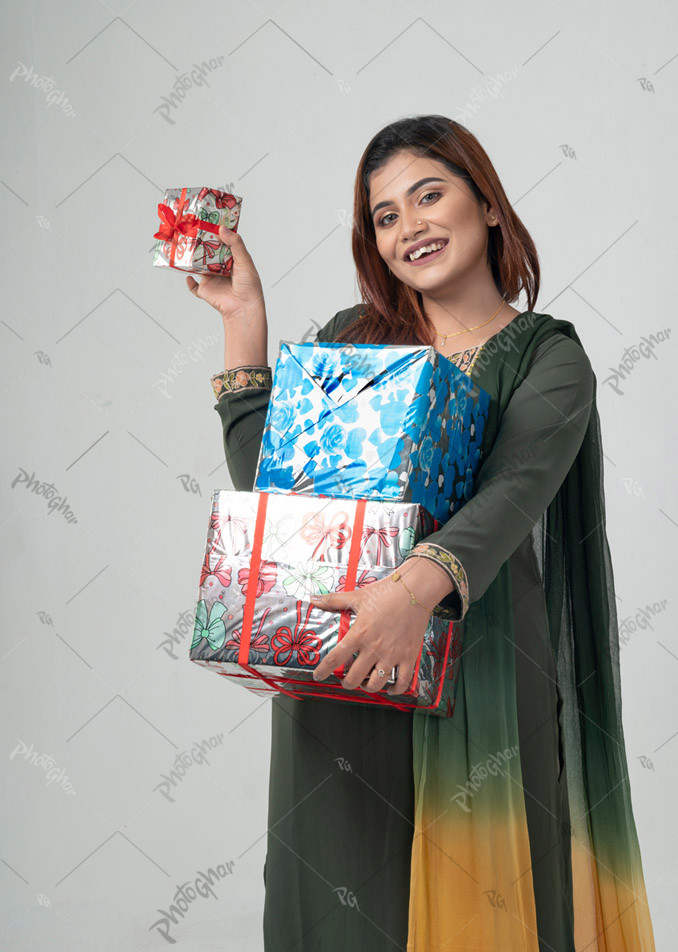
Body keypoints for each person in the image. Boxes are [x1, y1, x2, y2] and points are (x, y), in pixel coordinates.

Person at [189, 116, 656, 951]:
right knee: (339, 916)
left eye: (429, 195)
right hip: (345, 674)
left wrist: (411, 591)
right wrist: (242, 316)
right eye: (386, 215)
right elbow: (278, 498)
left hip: (484, 691)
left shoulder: (547, 358)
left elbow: (511, 493)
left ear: (487, 204)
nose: (411, 227)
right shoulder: (351, 341)